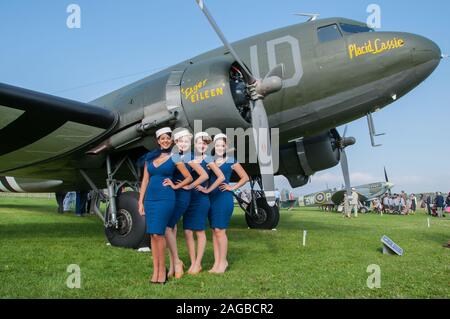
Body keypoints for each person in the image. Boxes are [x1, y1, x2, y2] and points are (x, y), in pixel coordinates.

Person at [138, 127, 193, 284]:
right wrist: (140, 201)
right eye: (162, 138)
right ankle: (155, 271)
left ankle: (162, 272)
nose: (165, 140)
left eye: (168, 138)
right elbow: (145, 181)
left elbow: (188, 177)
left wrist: (176, 186)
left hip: (165, 199)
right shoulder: (149, 159)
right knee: (153, 235)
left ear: (171, 140)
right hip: (150, 200)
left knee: (159, 234)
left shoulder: (175, 157)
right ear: (158, 141)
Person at [165, 129, 209, 279]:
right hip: (172, 194)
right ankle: (173, 265)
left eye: (186, 141)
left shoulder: (190, 157)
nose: (183, 144)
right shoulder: (174, 156)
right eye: (180, 141)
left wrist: (189, 186)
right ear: (176, 142)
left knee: (168, 227)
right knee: (173, 228)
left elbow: (204, 175)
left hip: (182, 196)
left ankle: (178, 263)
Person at [183, 132, 225, 275]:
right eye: (200, 143)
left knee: (199, 231)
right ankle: (193, 261)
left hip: (201, 199)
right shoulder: (189, 158)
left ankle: (198, 263)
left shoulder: (208, 160)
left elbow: (221, 177)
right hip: (189, 198)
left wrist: (208, 190)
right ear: (195, 144)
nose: (202, 145)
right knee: (187, 231)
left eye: (205, 143)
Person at [208, 133, 249, 274]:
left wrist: (232, 187)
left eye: (222, 145)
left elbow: (245, 177)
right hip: (211, 198)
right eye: (217, 145)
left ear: (226, 146)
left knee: (220, 230)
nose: (220, 147)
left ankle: (223, 262)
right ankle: (216, 262)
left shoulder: (231, 160)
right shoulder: (211, 161)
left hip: (223, 197)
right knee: (214, 231)